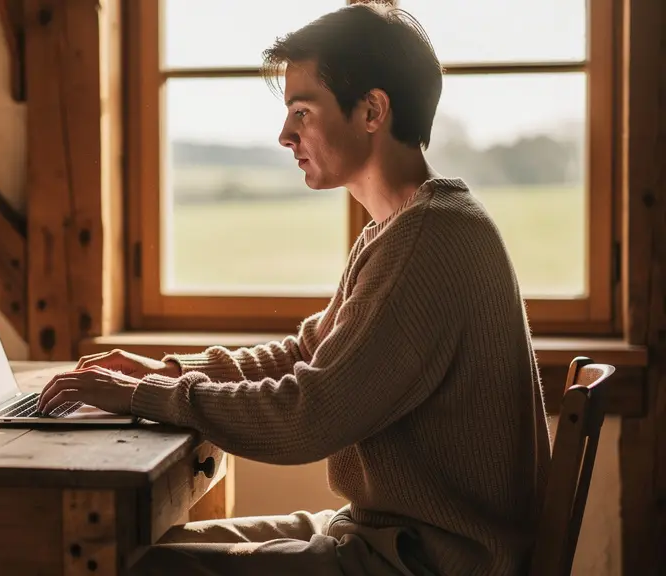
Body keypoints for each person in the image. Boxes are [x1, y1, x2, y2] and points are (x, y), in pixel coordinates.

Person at [38, 3, 551, 575]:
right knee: (120, 545)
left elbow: (311, 415)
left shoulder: (431, 237)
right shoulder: (400, 229)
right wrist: (167, 371)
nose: (285, 135)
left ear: (372, 110)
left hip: (428, 560)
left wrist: (145, 396)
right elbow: (308, 354)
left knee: (115, 564)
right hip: (386, 533)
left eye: (302, 111)